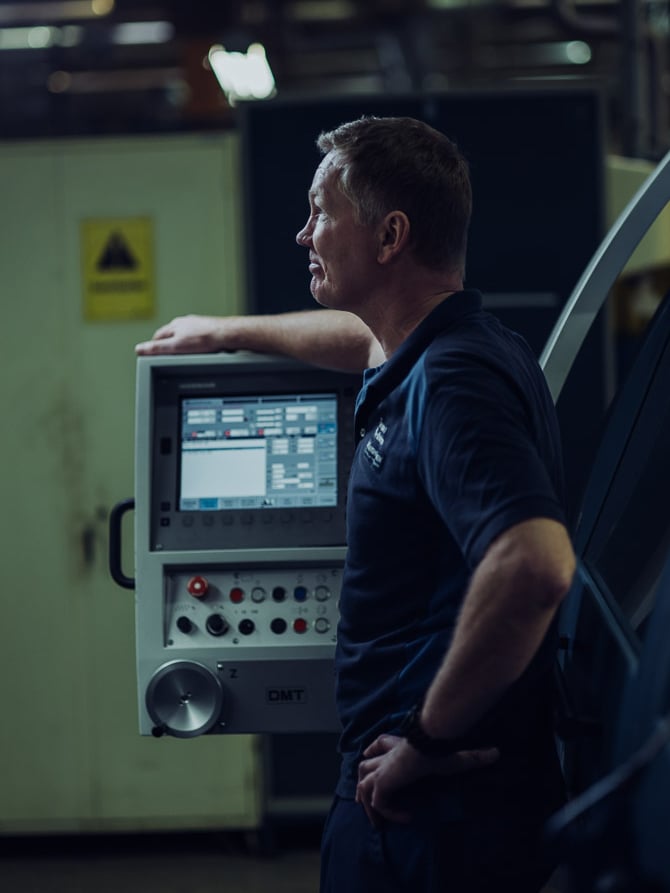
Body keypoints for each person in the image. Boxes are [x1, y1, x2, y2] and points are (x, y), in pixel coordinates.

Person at [136, 116, 576, 892]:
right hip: (438, 804)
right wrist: (225, 330)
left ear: (390, 235)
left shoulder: (451, 383)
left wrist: (426, 738)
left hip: (425, 817)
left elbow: (535, 562)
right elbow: (359, 340)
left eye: (320, 211)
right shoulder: (456, 348)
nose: (304, 234)